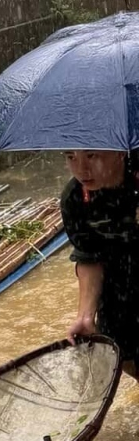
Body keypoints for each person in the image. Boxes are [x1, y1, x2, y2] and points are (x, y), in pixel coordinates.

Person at [61, 148, 139, 374]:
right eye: (70, 157)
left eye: (92, 156)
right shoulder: (74, 199)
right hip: (117, 292)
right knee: (124, 358)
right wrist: (85, 315)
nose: (81, 169)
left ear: (120, 153)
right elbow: (89, 257)